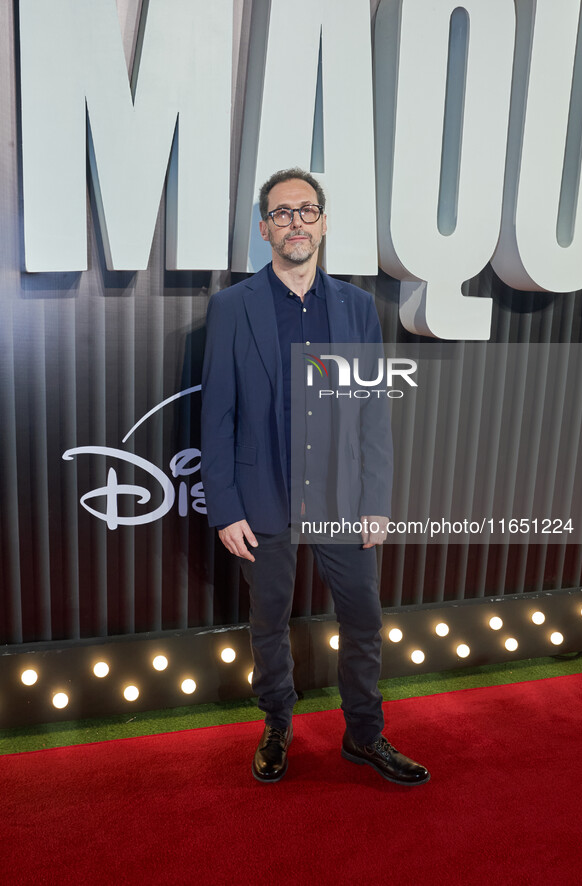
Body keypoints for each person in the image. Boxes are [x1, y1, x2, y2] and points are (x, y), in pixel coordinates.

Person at [201, 168, 429, 786]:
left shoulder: (358, 309)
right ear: (264, 228)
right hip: (262, 498)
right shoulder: (231, 308)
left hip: (343, 499)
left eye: (306, 210)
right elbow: (216, 414)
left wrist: (377, 500)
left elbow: (374, 414)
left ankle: (365, 735)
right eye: (281, 213)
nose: (294, 222)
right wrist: (224, 507)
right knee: (269, 622)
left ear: (323, 222)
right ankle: (277, 726)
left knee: (363, 622)